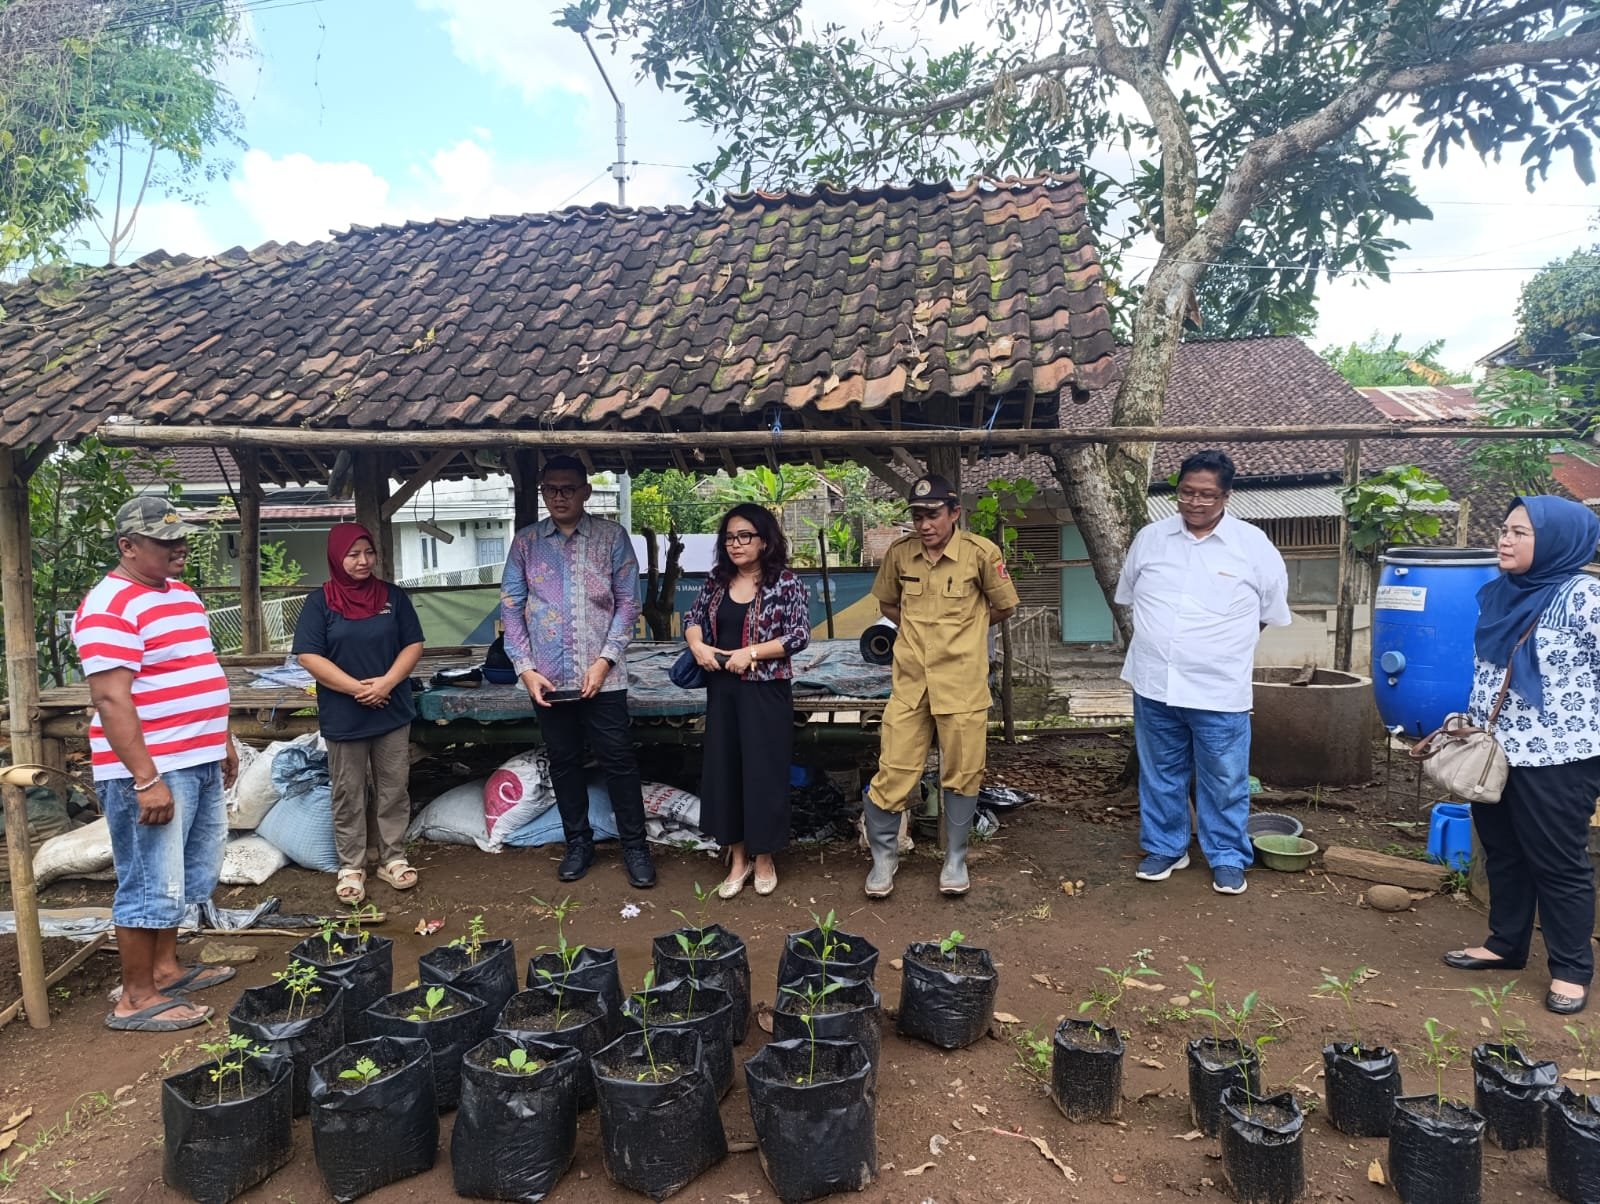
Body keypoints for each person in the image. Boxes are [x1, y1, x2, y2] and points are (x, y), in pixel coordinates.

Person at [71, 496, 239, 1032]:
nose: (178, 547)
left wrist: (223, 740)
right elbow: (112, 699)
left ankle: (166, 970)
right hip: (153, 768)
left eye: (179, 537)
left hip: (198, 756)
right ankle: (135, 997)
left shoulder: (183, 596)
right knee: (148, 880)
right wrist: (146, 779)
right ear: (128, 547)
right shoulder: (108, 606)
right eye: (164, 542)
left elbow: (200, 671)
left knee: (189, 873)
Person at [1443, 495, 1600, 1016]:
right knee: (1503, 852)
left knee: (1557, 863)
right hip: (1494, 751)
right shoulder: (1500, 592)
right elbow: (1488, 672)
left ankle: (1572, 970)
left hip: (1560, 757)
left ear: (1556, 540)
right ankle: (1506, 944)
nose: (1504, 540)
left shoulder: (1584, 597)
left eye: (1520, 533)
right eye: (1504, 529)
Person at [1115, 448, 1291, 896]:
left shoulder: (1253, 546)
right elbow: (1132, 596)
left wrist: (1219, 647)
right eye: (1187, 493)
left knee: (1225, 778)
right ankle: (1166, 847)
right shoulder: (1150, 539)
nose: (1195, 502)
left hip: (1218, 689)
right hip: (1155, 682)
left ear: (1226, 496)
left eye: (1206, 495)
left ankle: (1228, 855)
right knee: (1159, 772)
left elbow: (1268, 611)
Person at [860, 474, 1019, 898]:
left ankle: (955, 859)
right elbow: (889, 604)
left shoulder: (980, 554)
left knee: (964, 772)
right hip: (911, 682)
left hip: (962, 684)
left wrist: (963, 633)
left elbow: (1003, 606)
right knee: (893, 770)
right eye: (917, 516)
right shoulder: (900, 554)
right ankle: (883, 857)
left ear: (954, 513)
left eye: (933, 515)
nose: (925, 524)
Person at [501, 455, 656, 888]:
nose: (559, 496)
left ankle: (635, 847)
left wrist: (605, 660)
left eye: (569, 488)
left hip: (604, 676)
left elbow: (629, 604)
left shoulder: (611, 537)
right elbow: (511, 607)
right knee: (564, 762)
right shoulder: (526, 543)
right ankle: (578, 844)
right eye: (551, 489)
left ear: (586, 491)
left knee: (619, 761)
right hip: (547, 678)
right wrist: (526, 669)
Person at [683, 503, 812, 898]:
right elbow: (692, 617)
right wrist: (698, 645)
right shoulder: (716, 582)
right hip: (722, 690)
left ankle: (764, 858)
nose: (736, 544)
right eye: (730, 538)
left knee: (764, 773)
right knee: (726, 772)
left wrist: (751, 653)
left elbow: (799, 636)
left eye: (745, 536)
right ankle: (737, 859)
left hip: (766, 689)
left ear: (764, 539)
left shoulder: (785, 583)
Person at [292, 523, 425, 903]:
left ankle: (392, 858)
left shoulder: (392, 597)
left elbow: (413, 644)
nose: (363, 561)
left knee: (394, 787)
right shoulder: (320, 603)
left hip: (391, 708)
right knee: (348, 790)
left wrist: (385, 684)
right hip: (344, 711)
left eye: (368, 553)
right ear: (336, 556)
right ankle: (351, 864)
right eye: (353, 554)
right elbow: (308, 655)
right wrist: (358, 689)